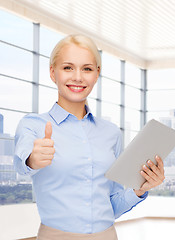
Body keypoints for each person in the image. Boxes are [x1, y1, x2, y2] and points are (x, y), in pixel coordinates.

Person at [14, 34, 165, 240]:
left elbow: (111, 205)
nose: (78, 77)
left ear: (97, 74)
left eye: (87, 68)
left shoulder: (111, 133)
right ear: (52, 72)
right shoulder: (33, 125)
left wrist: (139, 190)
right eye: (68, 67)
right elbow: (21, 164)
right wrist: (33, 159)